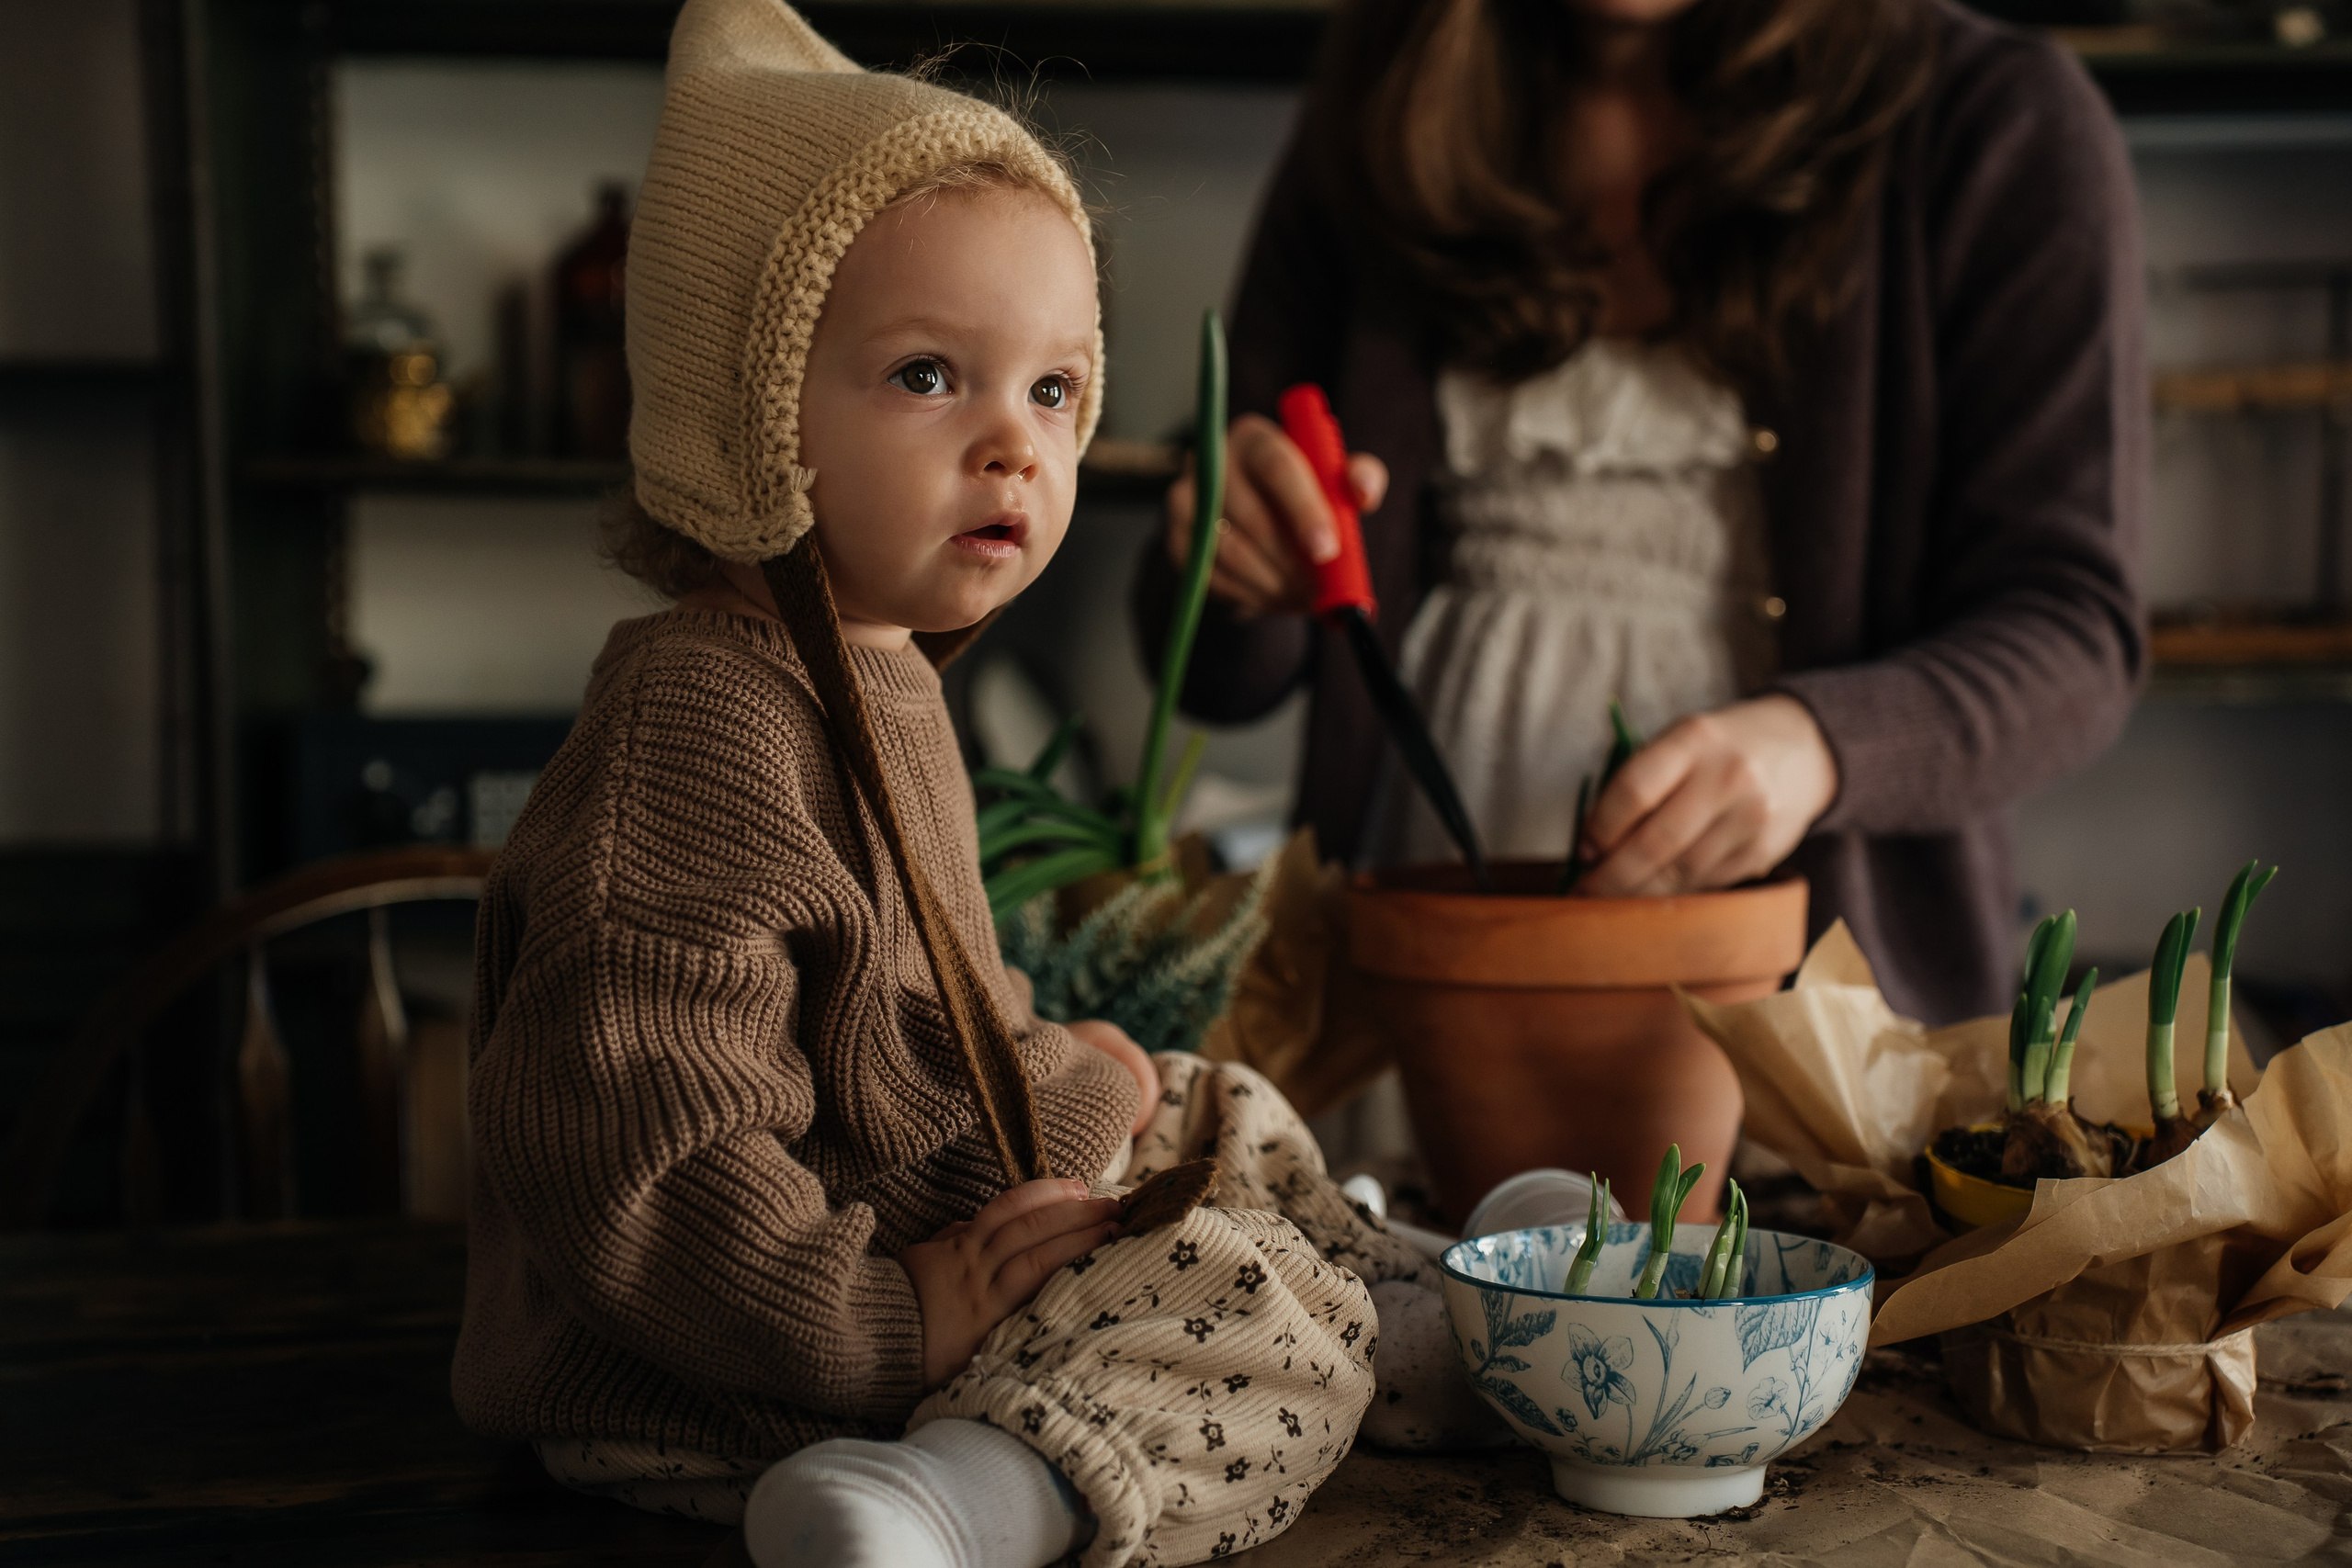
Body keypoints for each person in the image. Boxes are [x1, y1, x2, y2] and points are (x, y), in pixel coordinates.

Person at [452, 6, 1484, 1567]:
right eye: (932, 376)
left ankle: (1427, 1302)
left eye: (1056, 392)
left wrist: (1076, 1086)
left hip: (900, 1253)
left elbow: (922, 1029)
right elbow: (643, 1143)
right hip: (727, 1376)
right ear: (748, 418)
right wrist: (885, 1311)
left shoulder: (876, 674)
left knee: (1220, 1109)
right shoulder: (699, 725)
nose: (1016, 446)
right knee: (1211, 1311)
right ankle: (963, 1494)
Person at [1136, 0, 2146, 1030]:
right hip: (1407, 979)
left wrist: (1819, 748)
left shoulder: (2000, 118)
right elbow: (1220, 675)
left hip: (1808, 1017)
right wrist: (1233, 563)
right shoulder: (1387, 103)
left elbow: (2075, 633)